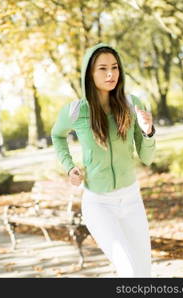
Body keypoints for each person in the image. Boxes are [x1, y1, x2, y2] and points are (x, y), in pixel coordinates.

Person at [50, 43, 156, 277]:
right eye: (103, 69)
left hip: (131, 200)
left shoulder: (132, 104)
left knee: (143, 273)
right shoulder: (76, 111)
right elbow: (57, 136)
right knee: (129, 270)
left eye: (115, 67)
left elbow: (147, 158)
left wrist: (148, 131)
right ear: (90, 73)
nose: (111, 74)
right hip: (99, 203)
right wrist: (69, 168)